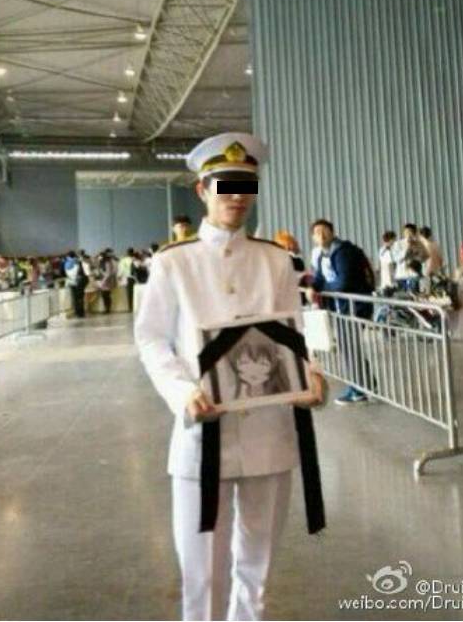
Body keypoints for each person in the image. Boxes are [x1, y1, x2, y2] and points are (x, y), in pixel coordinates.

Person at [135, 132, 326, 622]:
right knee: (202, 573)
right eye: (225, 185)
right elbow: (151, 338)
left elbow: (294, 335)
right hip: (202, 432)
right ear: (203, 190)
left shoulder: (276, 260)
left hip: (269, 431)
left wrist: (310, 376)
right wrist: (181, 391)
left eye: (246, 185)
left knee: (257, 569)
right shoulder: (173, 263)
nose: (237, 196)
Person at [308, 219, 375, 405]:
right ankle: (366, 384)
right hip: (342, 308)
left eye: (325, 231)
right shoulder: (323, 255)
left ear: (332, 232)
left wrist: (323, 289)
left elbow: (344, 282)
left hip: (355, 307)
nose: (321, 235)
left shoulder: (343, 252)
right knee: (349, 347)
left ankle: (358, 390)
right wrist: (313, 287)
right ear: (313, 238)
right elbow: (319, 278)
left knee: (349, 348)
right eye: (317, 232)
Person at [392, 224, 428, 289]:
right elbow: (396, 259)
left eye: (410, 232)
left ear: (414, 233)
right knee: (402, 294)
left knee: (414, 293)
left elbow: (425, 256)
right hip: (401, 275)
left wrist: (417, 256)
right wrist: (406, 249)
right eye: (406, 232)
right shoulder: (398, 244)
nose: (408, 235)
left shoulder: (419, 244)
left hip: (414, 275)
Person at [64, 250, 86, 318]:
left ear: (68, 256)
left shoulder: (67, 263)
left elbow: (65, 272)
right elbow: (81, 272)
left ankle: (77, 312)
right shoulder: (78, 261)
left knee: (75, 298)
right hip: (80, 281)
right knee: (80, 297)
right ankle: (81, 312)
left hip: (72, 282)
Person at [117, 247, 136, 312]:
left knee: (129, 293)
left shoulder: (124, 260)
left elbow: (121, 269)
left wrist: (119, 276)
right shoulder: (135, 259)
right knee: (135, 292)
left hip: (128, 278)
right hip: (136, 278)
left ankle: (130, 307)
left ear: (127, 253)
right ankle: (135, 305)